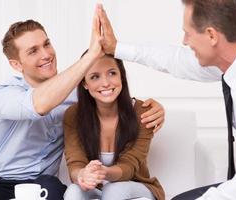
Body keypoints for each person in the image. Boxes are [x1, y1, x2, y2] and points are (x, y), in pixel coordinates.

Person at [0, 7, 164, 200]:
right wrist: (92, 54)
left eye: (46, 44)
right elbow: (39, 104)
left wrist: (152, 107)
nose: (46, 54)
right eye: (33, 51)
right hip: (1, 183)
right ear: (16, 64)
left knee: (54, 187)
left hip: (44, 184)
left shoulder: (76, 95)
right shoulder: (4, 95)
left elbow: (109, 92)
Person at [96, 0, 236, 199]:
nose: (185, 41)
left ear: (211, 35)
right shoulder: (234, 61)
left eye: (188, 33)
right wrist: (117, 48)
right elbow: (176, 60)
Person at [62, 51, 165, 200]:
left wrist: (104, 172)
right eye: (95, 77)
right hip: (98, 190)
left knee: (113, 190)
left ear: (121, 76)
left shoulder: (143, 112)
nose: (105, 83)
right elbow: (75, 163)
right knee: (73, 191)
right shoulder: (73, 115)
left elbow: (129, 166)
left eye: (112, 73)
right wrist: (82, 174)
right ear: (85, 83)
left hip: (135, 188)